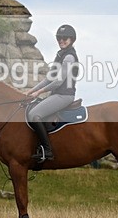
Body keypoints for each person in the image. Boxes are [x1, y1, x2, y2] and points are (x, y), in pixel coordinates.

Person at [25, 24, 80, 164]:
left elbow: (58, 82)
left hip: (64, 95)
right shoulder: (60, 55)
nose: (61, 40)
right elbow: (49, 79)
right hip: (56, 95)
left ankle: (47, 150)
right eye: (59, 38)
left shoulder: (69, 57)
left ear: (72, 39)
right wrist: (30, 91)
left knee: (34, 115)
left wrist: (38, 92)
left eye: (65, 38)